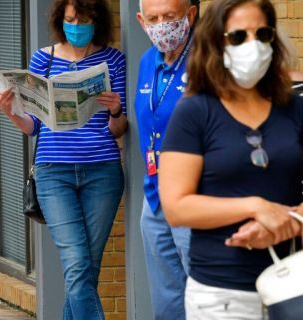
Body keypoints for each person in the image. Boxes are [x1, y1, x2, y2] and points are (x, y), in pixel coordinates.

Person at [159, 1, 303, 318]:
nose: (253, 46)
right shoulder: (195, 112)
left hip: (294, 288)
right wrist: (255, 206)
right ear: (216, 42)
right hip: (221, 297)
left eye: (262, 34)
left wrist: (289, 223)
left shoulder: (294, 108)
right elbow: (176, 206)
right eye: (238, 37)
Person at [0, 0, 126, 318]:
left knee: (86, 269)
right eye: (71, 19)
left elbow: (119, 128)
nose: (77, 26)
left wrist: (115, 109)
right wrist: (10, 111)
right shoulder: (44, 58)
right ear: (60, 20)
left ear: (96, 21)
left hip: (103, 170)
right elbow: (33, 126)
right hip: (53, 173)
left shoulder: (113, 60)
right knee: (77, 263)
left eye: (84, 20)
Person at [133, 0, 198, 318]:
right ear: (141, 21)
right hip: (155, 197)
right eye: (153, 18)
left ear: (190, 15)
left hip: (197, 195)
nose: (161, 25)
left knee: (203, 294)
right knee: (166, 299)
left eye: (170, 17)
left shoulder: (208, 60)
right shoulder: (147, 61)